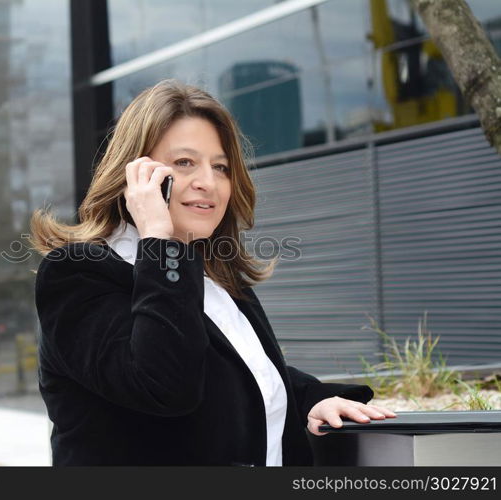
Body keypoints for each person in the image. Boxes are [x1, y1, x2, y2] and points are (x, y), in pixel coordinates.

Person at [30, 79, 396, 466]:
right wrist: (160, 237)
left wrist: (311, 397)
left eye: (220, 167)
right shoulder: (76, 274)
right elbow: (163, 384)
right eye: (185, 162)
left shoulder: (210, 275)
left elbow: (230, 368)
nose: (208, 182)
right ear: (134, 175)